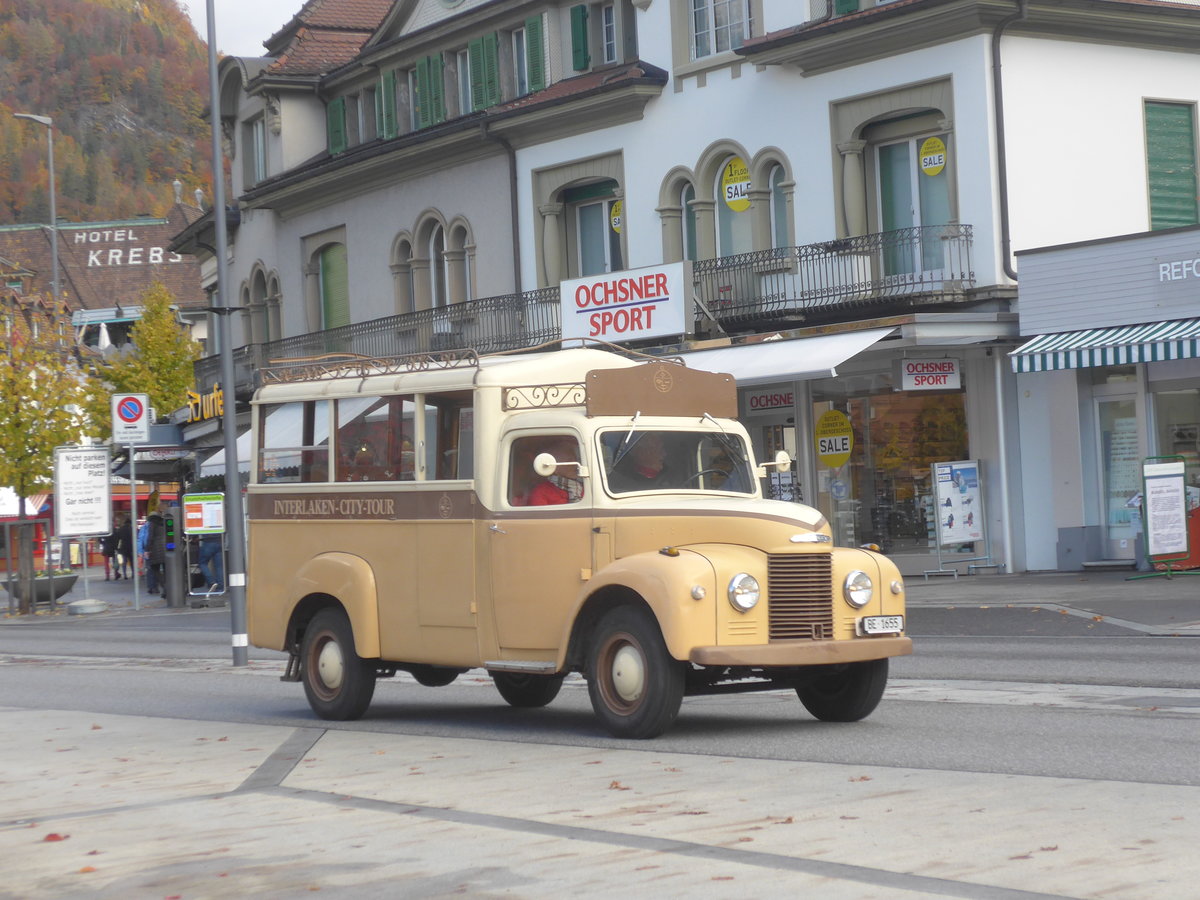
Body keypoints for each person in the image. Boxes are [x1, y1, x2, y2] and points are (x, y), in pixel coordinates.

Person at [527, 439, 584, 506]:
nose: (575, 465)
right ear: (554, 467)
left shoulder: (580, 487)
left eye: (575, 460)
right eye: (569, 460)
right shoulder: (541, 492)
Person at [142, 509, 167, 596]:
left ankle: (165, 588)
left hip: (155, 550)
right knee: (166, 570)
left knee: (155, 569)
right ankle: (167, 588)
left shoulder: (152, 524)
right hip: (166, 548)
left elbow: (150, 537)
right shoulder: (164, 522)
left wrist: (147, 549)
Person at [115, 514, 134, 579]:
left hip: (123, 547)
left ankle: (125, 575)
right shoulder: (132, 529)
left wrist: (117, 548)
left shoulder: (121, 529)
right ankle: (133, 574)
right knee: (132, 562)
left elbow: (118, 538)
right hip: (131, 547)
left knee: (124, 562)